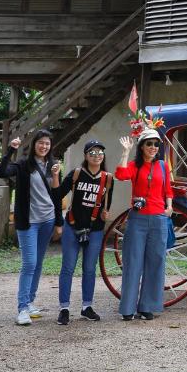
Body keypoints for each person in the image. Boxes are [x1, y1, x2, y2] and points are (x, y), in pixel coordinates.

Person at [0, 129, 62, 325]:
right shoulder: (23, 165)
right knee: (29, 264)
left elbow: (56, 195)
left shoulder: (53, 165)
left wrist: (59, 222)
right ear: (34, 144)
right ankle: (22, 308)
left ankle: (30, 302)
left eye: (47, 143)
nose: (44, 146)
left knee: (39, 263)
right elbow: (1, 172)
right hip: (28, 221)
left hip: (47, 220)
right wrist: (10, 150)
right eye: (41, 142)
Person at [51, 138, 113, 324]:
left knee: (89, 269)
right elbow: (57, 195)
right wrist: (56, 176)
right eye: (92, 153)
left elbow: (106, 205)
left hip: (95, 230)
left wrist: (105, 214)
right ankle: (64, 308)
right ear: (86, 156)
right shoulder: (76, 174)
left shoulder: (108, 178)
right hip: (72, 226)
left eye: (100, 153)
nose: (96, 156)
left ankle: (87, 306)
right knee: (68, 267)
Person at [115, 127, 174, 320]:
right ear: (142, 146)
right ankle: (127, 309)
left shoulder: (163, 166)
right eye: (149, 143)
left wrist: (170, 207)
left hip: (158, 218)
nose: (153, 147)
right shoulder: (135, 165)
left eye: (156, 144)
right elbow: (121, 175)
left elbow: (168, 190)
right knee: (133, 263)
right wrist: (125, 152)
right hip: (138, 219)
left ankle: (147, 306)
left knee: (156, 263)